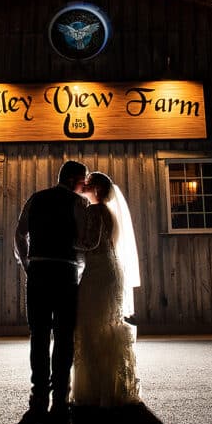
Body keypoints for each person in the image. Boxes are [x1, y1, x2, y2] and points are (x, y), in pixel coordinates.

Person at [14, 160, 89, 417]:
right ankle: (60, 393)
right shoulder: (78, 203)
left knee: (39, 334)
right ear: (72, 180)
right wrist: (84, 268)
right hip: (65, 272)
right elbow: (82, 241)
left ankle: (38, 394)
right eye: (83, 180)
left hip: (37, 272)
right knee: (64, 335)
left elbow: (19, 233)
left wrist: (26, 262)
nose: (85, 185)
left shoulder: (36, 198)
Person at [72, 171, 142, 408]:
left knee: (91, 327)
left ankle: (95, 390)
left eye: (88, 184)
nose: (84, 185)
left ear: (97, 190)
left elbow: (90, 243)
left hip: (97, 274)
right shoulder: (110, 213)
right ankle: (111, 388)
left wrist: (66, 241)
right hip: (111, 271)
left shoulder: (94, 211)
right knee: (105, 326)